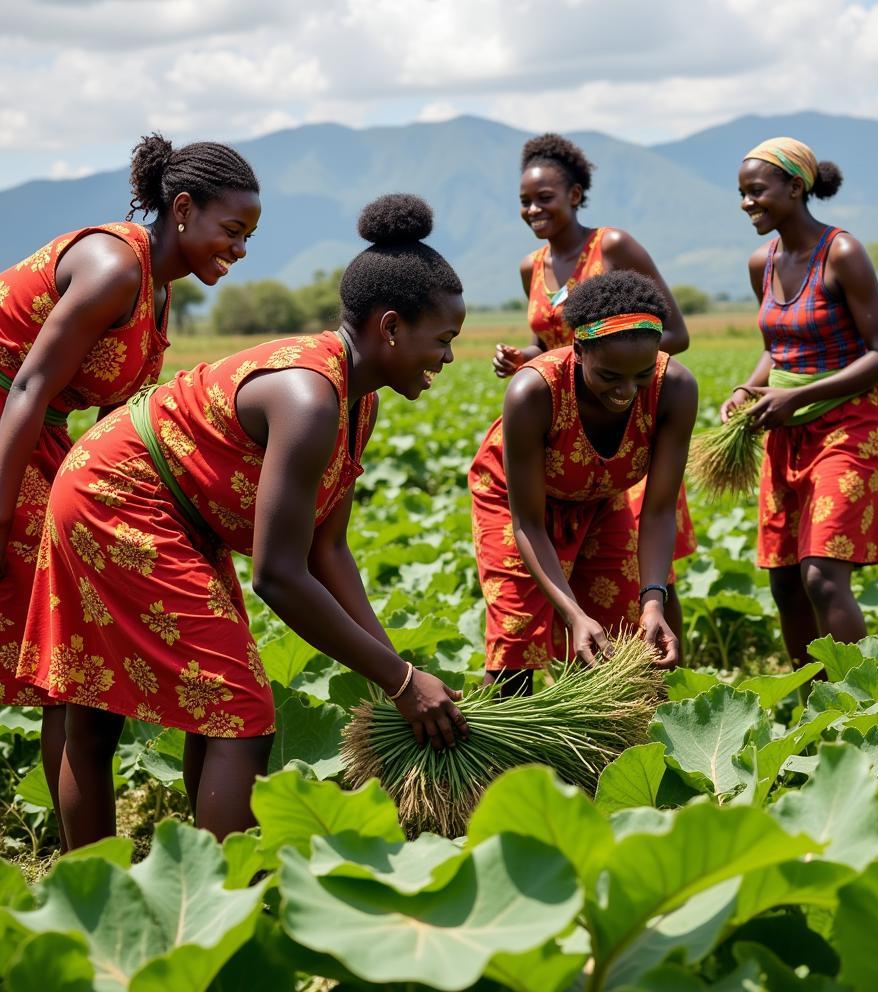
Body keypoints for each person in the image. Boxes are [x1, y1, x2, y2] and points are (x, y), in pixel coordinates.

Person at [18, 194, 469, 847]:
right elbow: (279, 577)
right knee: (234, 707)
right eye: (444, 341)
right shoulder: (310, 396)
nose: (448, 359)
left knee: (173, 707)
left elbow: (328, 551)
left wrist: (395, 671)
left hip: (167, 512)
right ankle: (212, 890)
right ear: (392, 327)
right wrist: (402, 682)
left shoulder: (353, 404)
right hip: (116, 499)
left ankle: (164, 875)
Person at [0, 134, 260, 845]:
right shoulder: (116, 265)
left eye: (249, 237)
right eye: (231, 231)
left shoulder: (157, 287)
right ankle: (82, 861)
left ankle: (84, 859)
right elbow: (27, 383)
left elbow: (124, 420)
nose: (239, 251)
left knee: (74, 659)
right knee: (68, 667)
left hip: (43, 439)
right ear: (182, 209)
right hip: (10, 428)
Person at [492, 133, 697, 631]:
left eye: (545, 198)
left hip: (623, 426)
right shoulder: (532, 268)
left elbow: (673, 333)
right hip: (566, 417)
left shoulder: (611, 246)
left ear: (575, 195)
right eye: (525, 201)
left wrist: (622, 374)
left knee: (643, 575)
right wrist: (532, 356)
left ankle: (666, 677)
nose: (533, 209)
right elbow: (555, 343)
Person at [722, 137, 878, 665]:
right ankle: (813, 708)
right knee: (784, 581)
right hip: (787, 432)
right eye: (741, 193)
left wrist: (797, 395)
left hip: (850, 425)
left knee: (823, 578)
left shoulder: (841, 253)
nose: (746, 202)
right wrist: (746, 387)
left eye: (756, 190)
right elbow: (775, 350)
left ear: (795, 187)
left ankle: (856, 704)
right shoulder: (764, 262)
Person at [471, 270, 697, 696]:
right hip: (516, 505)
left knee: (624, 632)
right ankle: (503, 759)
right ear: (577, 350)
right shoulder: (533, 392)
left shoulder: (675, 389)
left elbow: (659, 509)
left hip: (600, 501)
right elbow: (527, 524)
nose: (627, 391)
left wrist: (653, 601)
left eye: (642, 374)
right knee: (517, 641)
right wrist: (573, 613)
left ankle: (609, 755)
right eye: (610, 376)